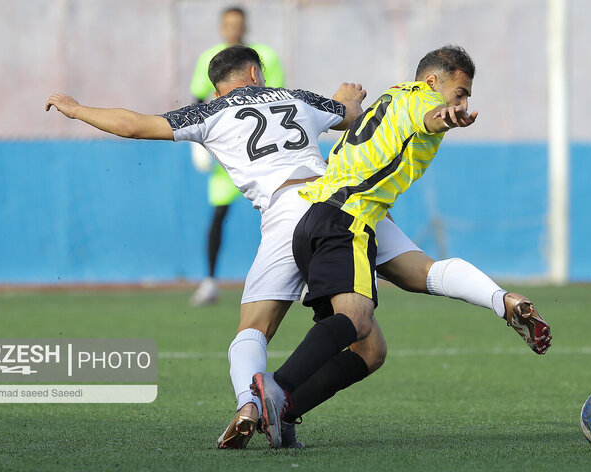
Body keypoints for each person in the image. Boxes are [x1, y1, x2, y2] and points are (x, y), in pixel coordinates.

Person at [45, 45, 549, 451]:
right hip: (341, 194)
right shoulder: (291, 96)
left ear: (221, 86)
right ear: (255, 72)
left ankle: (254, 403)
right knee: (412, 287)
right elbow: (354, 114)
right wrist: (344, 98)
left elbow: (135, 124)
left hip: (295, 214)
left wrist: (76, 109)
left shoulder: (208, 112)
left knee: (256, 330)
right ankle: (499, 299)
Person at [251, 45, 552, 448]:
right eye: (459, 92)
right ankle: (276, 389)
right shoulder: (423, 100)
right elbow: (429, 116)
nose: (462, 102)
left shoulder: (390, 97)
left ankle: (284, 412)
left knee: (372, 347)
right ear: (432, 81)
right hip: (348, 221)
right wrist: (444, 115)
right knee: (357, 320)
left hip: (318, 218)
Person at [189, 6, 285, 306]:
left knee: (283, 213)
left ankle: (302, 275)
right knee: (218, 216)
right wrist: (198, 143)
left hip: (264, 155)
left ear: (245, 26)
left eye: (238, 24)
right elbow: (199, 99)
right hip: (227, 158)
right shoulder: (210, 59)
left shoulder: (264, 56)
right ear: (221, 27)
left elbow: (279, 99)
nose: (233, 29)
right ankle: (210, 281)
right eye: (228, 24)